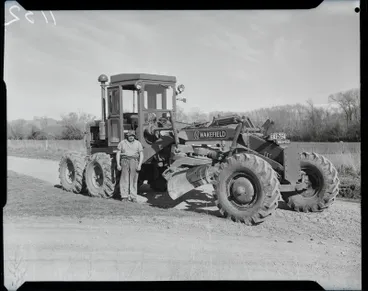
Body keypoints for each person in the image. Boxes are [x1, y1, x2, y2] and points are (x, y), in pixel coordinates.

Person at [116, 130, 144, 202]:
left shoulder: (138, 143)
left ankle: (133, 196)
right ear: (127, 136)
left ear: (134, 136)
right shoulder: (122, 143)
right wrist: (118, 164)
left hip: (134, 161)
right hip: (124, 161)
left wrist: (140, 165)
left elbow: (141, 154)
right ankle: (124, 196)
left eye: (132, 136)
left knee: (134, 179)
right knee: (124, 179)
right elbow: (118, 153)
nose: (131, 137)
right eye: (129, 136)